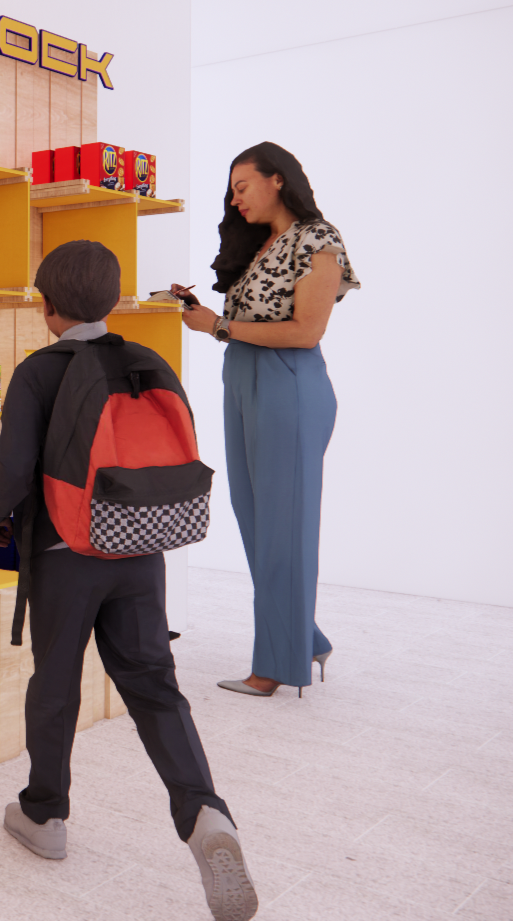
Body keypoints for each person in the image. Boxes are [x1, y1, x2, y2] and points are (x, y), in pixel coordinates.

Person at [0, 240, 258, 921]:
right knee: (156, 688)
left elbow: (16, 470)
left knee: (56, 683)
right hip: (139, 551)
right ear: (109, 300)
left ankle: (44, 815)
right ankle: (204, 814)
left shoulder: (38, 372)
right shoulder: (147, 361)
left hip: (65, 553)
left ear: (46, 307)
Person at [176, 142, 359, 698]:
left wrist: (217, 327)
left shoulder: (318, 240)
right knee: (257, 522)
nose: (234, 200)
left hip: (288, 384)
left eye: (242, 186)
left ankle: (275, 666)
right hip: (244, 380)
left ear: (277, 180)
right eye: (230, 191)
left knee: (286, 529)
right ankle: (304, 637)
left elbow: (307, 331)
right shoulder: (261, 245)